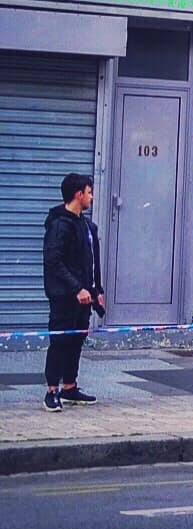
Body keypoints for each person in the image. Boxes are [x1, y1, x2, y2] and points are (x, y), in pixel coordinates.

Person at [42, 173, 104, 412]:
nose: (92, 197)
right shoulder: (59, 224)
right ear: (79, 194)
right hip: (64, 296)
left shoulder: (86, 225)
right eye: (89, 192)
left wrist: (96, 289)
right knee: (60, 341)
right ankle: (51, 391)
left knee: (77, 341)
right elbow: (54, 261)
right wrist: (76, 288)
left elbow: (91, 261)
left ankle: (70, 387)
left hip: (84, 297)